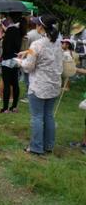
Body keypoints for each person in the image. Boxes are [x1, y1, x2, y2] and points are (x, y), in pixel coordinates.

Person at [17, 15, 62, 155]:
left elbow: (29, 66)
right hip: (54, 85)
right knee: (48, 115)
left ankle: (36, 147)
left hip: (39, 86)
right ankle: (48, 145)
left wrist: (19, 62)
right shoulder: (58, 43)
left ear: (41, 27)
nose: (35, 26)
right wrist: (27, 52)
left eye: (37, 24)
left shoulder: (37, 44)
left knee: (37, 117)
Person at [0, 13, 23, 113]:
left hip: (7, 59)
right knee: (15, 84)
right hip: (16, 59)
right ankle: (14, 106)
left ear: (10, 19)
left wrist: (3, 39)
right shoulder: (18, 30)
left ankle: (5, 108)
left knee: (7, 84)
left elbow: (6, 47)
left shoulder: (10, 30)